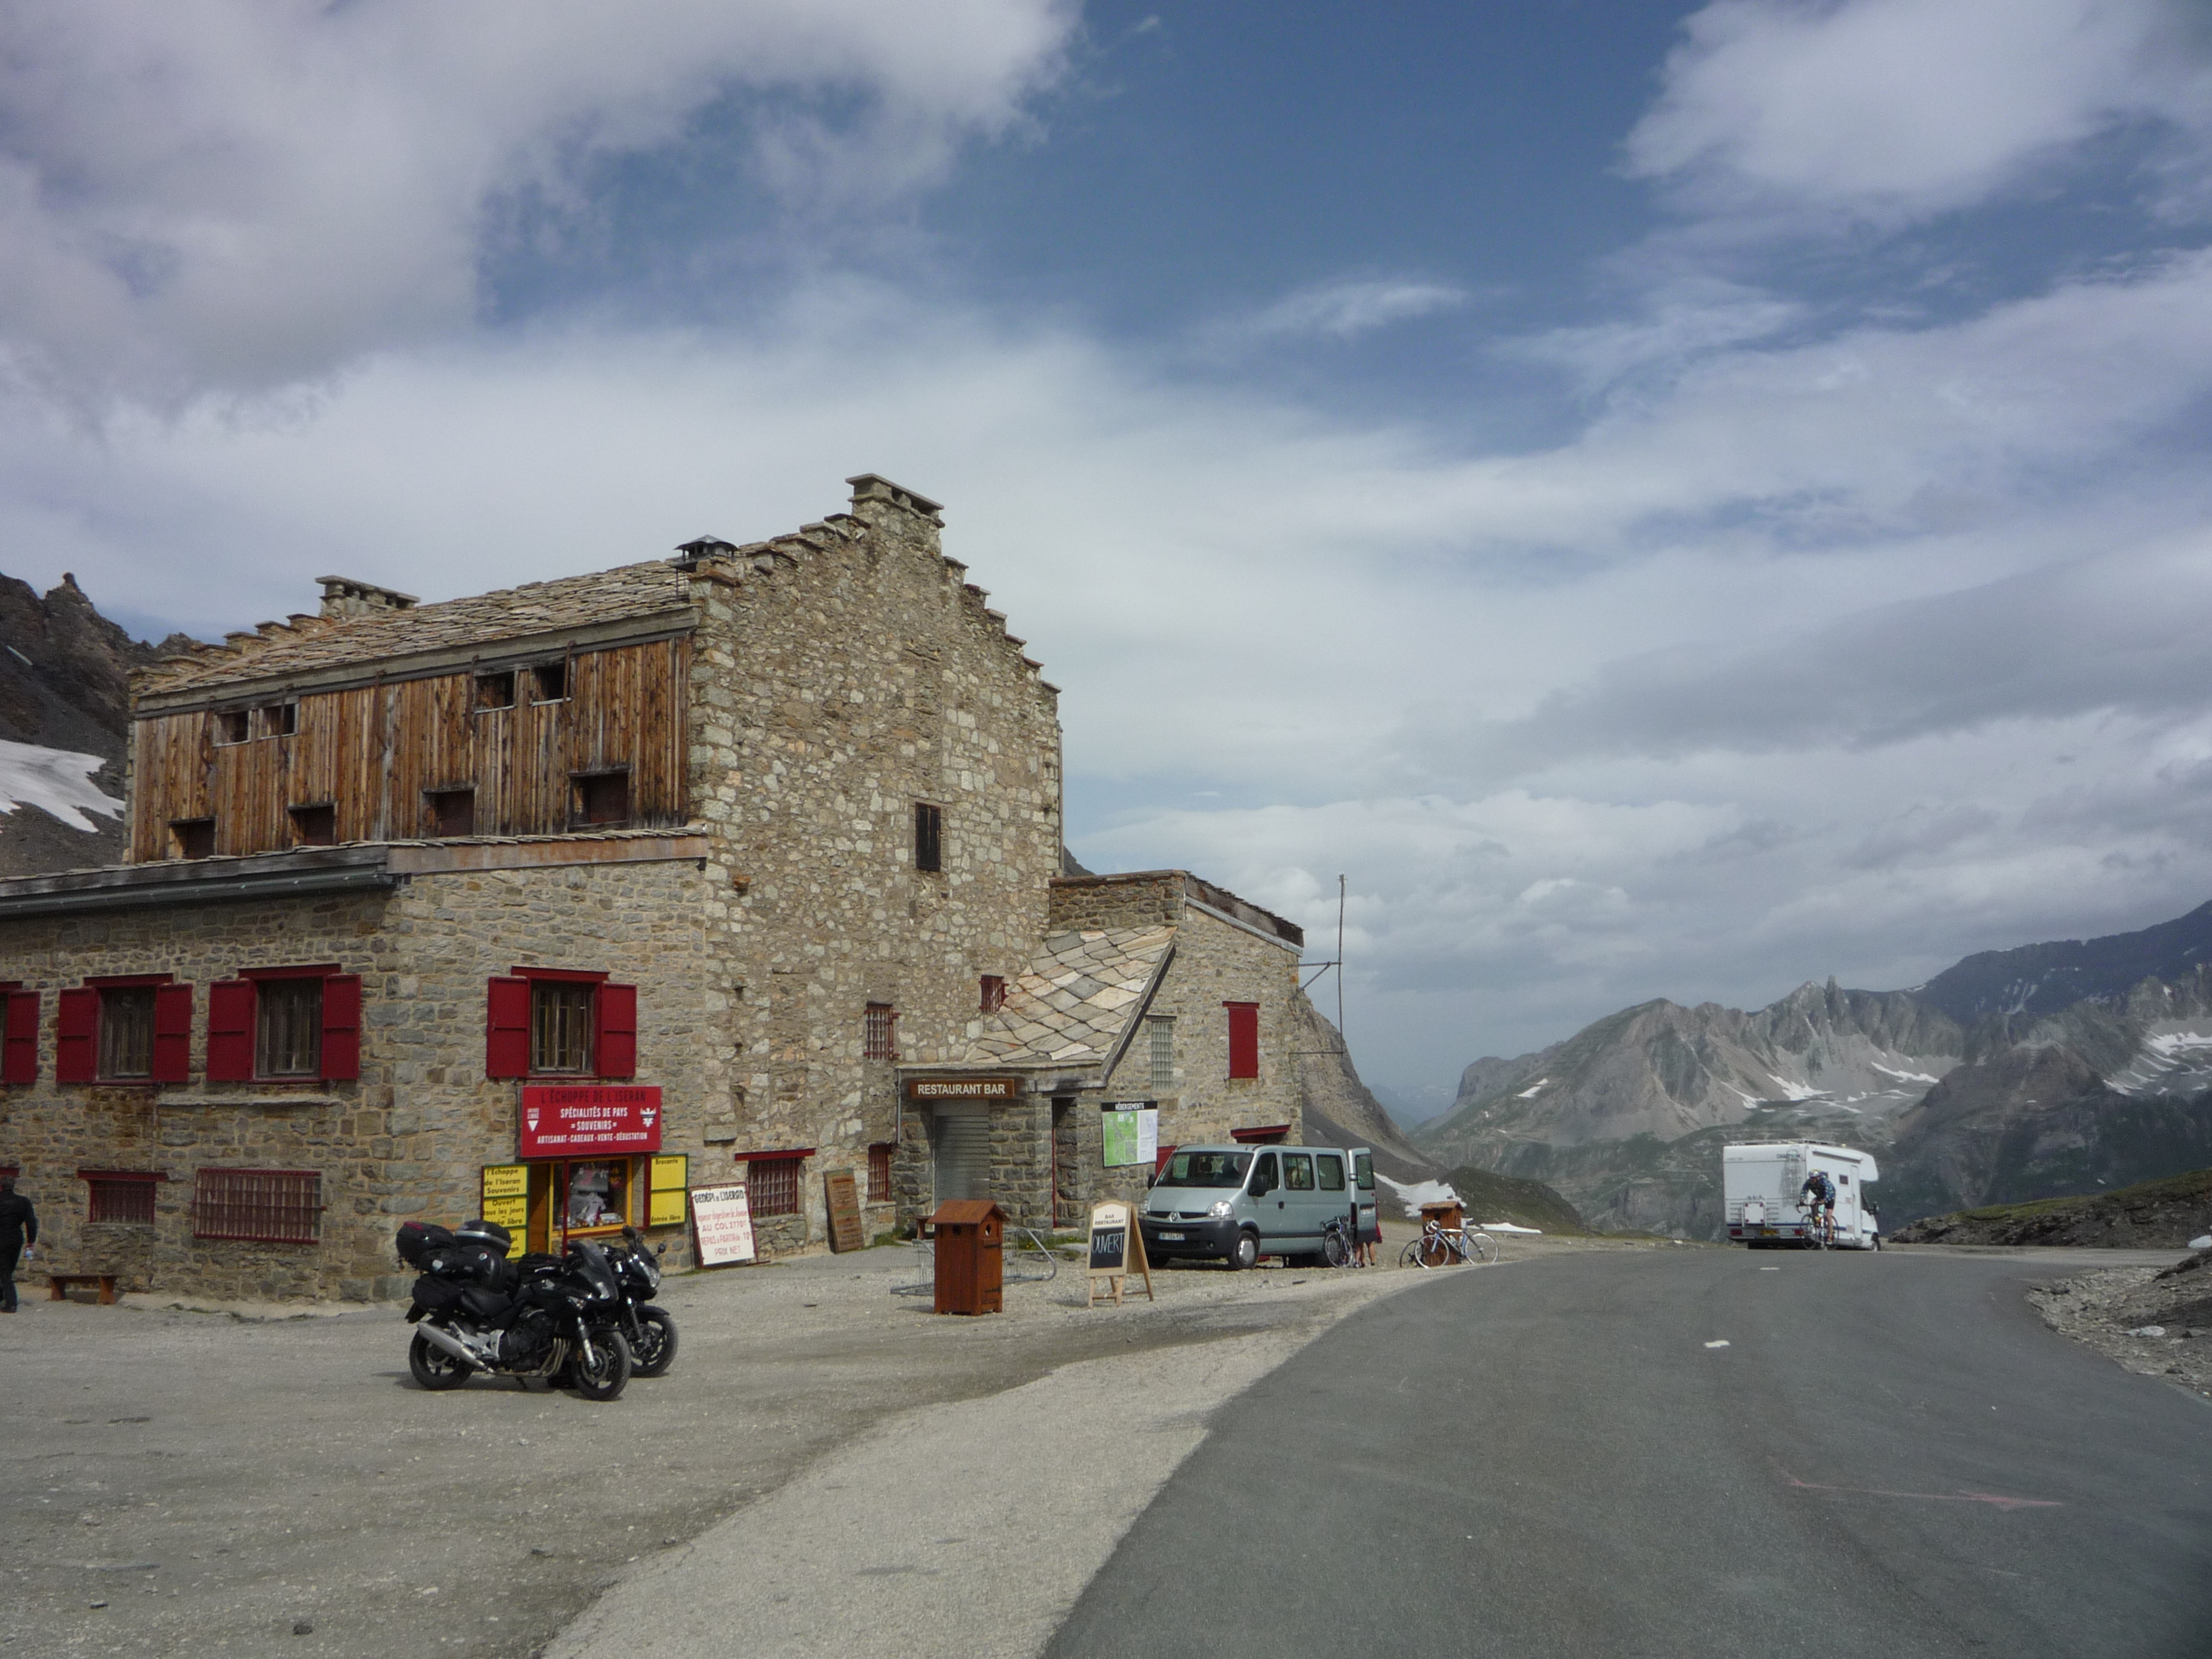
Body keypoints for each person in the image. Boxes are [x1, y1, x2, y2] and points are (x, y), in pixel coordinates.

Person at [0, 1175, 37, 1313]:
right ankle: (4, 1297)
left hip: (1, 1238)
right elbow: (31, 1222)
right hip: (16, 1239)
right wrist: (31, 1241)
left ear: (2, 1186)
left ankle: (11, 1302)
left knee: (4, 1271)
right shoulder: (23, 1202)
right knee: (8, 1269)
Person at [1799, 1168, 1836, 1242]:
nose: (1812, 1180)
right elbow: (1804, 1190)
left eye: (1814, 1178)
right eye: (1811, 1178)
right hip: (1820, 1196)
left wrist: (1825, 1200)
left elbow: (1829, 1192)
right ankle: (1817, 1219)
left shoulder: (1824, 1182)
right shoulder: (1809, 1182)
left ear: (1818, 1177)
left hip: (1830, 1197)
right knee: (1813, 1203)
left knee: (1828, 1216)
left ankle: (1830, 1236)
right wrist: (1802, 1200)